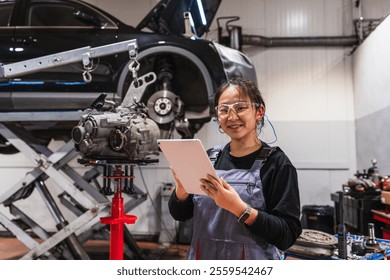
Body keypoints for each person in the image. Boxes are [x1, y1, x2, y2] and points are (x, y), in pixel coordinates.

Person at [168, 77, 302, 260]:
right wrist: (181, 190)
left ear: (259, 111)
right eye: (224, 110)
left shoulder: (276, 164)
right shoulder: (209, 158)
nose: (232, 117)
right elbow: (180, 214)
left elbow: (288, 234)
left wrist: (240, 209)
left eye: (240, 108)